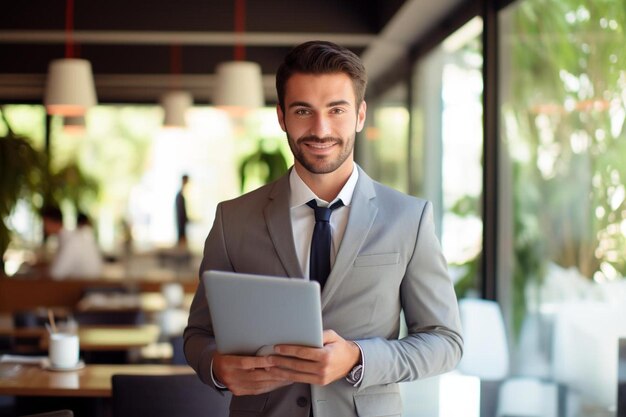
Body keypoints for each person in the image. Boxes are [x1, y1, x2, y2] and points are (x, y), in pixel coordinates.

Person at [184, 41, 463, 417]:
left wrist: (358, 357)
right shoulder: (232, 219)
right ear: (282, 116)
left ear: (360, 115)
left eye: (336, 110)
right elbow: (198, 336)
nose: (321, 129)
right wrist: (217, 367)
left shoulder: (409, 218)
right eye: (303, 111)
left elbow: (445, 342)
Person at [41, 207, 103, 279]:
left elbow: (56, 273)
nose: (43, 227)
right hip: (83, 284)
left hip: (85, 286)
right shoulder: (71, 238)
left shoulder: (71, 241)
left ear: (50, 222)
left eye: (44, 223)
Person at [175, 174, 190, 245]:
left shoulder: (180, 195)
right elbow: (180, 213)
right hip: (181, 225)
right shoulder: (179, 196)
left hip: (182, 224)